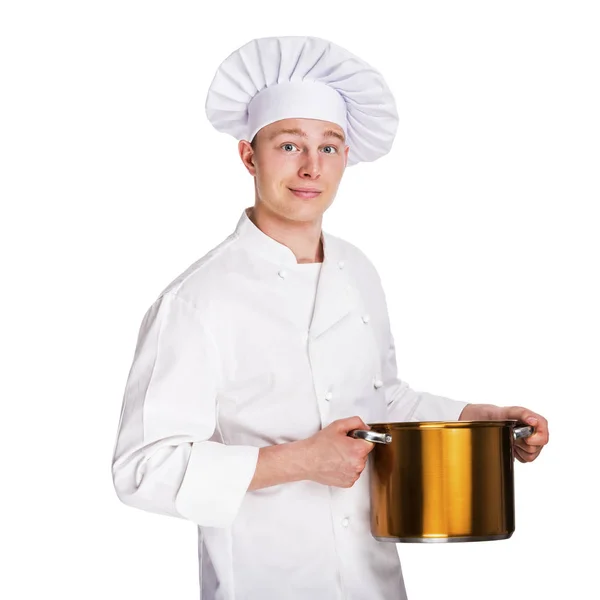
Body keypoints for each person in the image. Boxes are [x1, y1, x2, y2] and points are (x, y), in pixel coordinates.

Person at [111, 35, 549, 600]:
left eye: (330, 147)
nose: (311, 167)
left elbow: (381, 400)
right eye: (289, 145)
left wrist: (479, 421)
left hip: (374, 581)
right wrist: (297, 461)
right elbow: (143, 468)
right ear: (249, 155)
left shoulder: (358, 270)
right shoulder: (198, 301)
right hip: (267, 584)